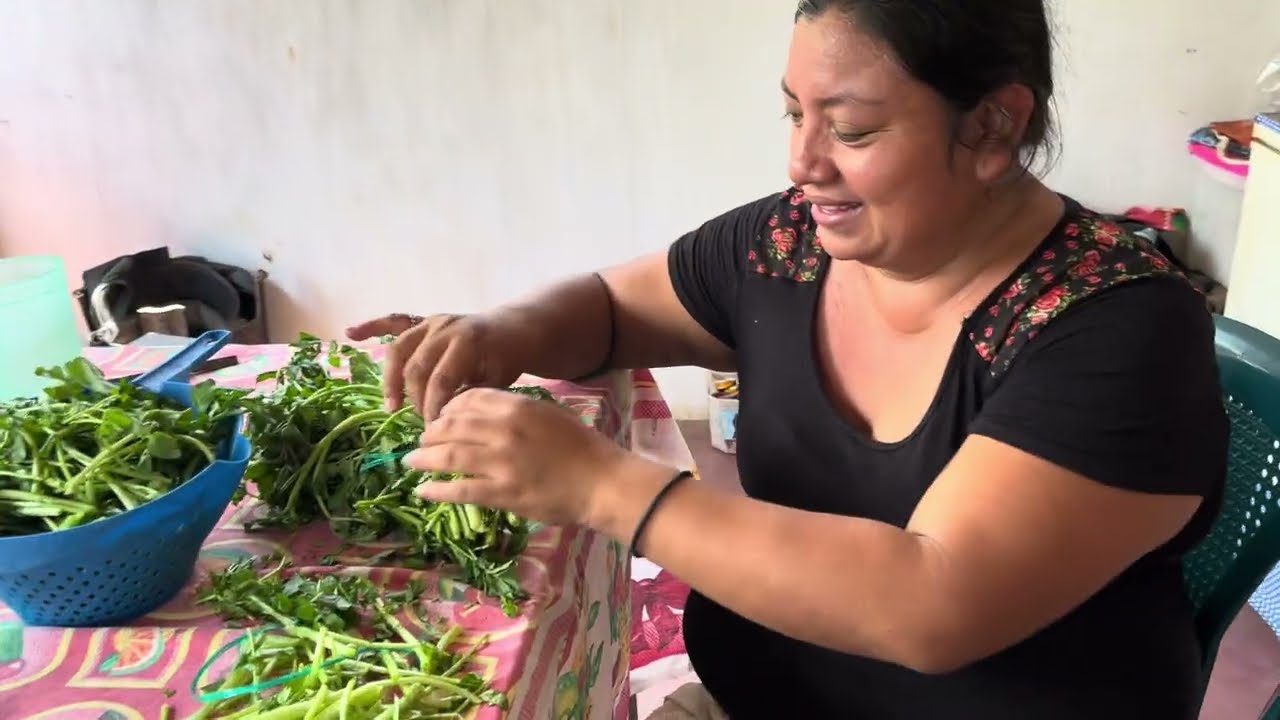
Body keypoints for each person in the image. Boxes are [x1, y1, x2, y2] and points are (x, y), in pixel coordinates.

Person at [347, 1, 1229, 717]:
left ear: (994, 128)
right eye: (794, 113)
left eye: (850, 130)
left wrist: (602, 486)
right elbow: (614, 308)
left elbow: (933, 603)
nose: (801, 163)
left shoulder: (1120, 328)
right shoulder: (790, 244)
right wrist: (501, 333)